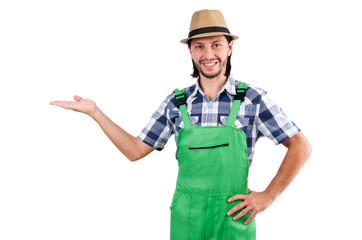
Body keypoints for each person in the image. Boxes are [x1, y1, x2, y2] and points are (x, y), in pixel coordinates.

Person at [50, 9, 312, 240]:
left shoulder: (252, 99)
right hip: (188, 218)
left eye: (216, 45)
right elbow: (134, 151)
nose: (208, 54)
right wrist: (96, 113)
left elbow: (300, 146)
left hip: (233, 214)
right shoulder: (177, 103)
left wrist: (268, 196)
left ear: (229, 47)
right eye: (199, 46)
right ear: (190, 51)